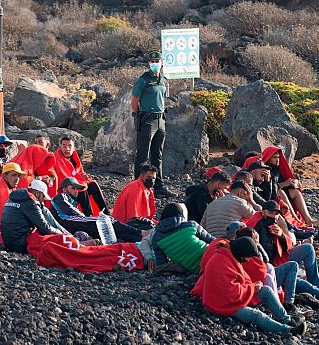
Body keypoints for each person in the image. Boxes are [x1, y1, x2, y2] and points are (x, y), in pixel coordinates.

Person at [190, 236, 307, 336]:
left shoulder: (230, 255)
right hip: (222, 304)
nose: (247, 259)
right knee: (256, 315)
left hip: (231, 298)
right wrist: (253, 288)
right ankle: (289, 331)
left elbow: (242, 280)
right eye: (247, 257)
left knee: (266, 290)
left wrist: (253, 286)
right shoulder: (221, 262)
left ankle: (287, 320)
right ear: (241, 253)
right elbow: (230, 293)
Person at [234, 227, 319, 312]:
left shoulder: (267, 228)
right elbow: (264, 266)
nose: (258, 242)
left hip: (271, 274)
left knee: (306, 286)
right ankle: (288, 304)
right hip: (266, 280)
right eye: (256, 240)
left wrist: (281, 235)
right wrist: (258, 246)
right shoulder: (248, 253)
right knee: (293, 266)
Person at [51, 177, 146, 243]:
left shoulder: (72, 201)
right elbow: (69, 211)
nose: (76, 191)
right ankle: (141, 233)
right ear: (64, 189)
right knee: (107, 221)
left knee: (105, 230)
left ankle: (138, 238)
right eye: (73, 188)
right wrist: (84, 216)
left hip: (70, 223)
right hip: (67, 221)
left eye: (77, 188)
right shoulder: (60, 196)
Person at [131, 50, 173, 198]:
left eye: (157, 61)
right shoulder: (143, 80)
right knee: (142, 155)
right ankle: (138, 187)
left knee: (158, 156)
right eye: (152, 61)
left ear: (162, 63)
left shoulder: (164, 80)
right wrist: (137, 116)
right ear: (149, 63)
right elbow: (134, 100)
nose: (155, 64)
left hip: (161, 120)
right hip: (147, 120)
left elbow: (163, 98)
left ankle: (159, 186)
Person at [0, 180, 70, 253]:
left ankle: (68, 235)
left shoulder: (14, 198)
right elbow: (45, 229)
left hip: (8, 242)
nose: (43, 201)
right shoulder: (31, 202)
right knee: (53, 239)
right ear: (37, 193)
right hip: (20, 245)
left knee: (43, 211)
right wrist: (60, 233)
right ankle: (69, 237)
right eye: (43, 197)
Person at [261, 146, 319, 227]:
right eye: (274, 157)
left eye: (278, 157)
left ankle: (308, 220)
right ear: (268, 158)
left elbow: (285, 180)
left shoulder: (277, 169)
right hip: (270, 195)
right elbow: (268, 186)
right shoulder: (264, 170)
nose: (278, 160)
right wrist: (285, 184)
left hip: (279, 193)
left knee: (296, 191)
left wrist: (294, 182)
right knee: (281, 192)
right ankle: (296, 220)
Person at [151, 203, 216, 273]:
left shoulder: (156, 239)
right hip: (213, 255)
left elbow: (162, 263)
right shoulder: (191, 225)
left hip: (197, 269)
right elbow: (212, 240)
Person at [53, 136, 109, 215]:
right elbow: (63, 179)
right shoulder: (57, 158)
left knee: (92, 184)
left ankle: (107, 214)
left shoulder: (74, 157)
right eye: (64, 145)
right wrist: (80, 180)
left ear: (73, 147)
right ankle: (88, 215)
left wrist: (83, 176)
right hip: (64, 191)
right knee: (82, 187)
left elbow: (78, 172)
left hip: (76, 188)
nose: (67, 149)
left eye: (70, 146)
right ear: (60, 147)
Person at [0, 162, 27, 243]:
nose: (17, 179)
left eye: (18, 176)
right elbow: (7, 212)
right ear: (5, 176)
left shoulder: (7, 187)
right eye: (14, 175)